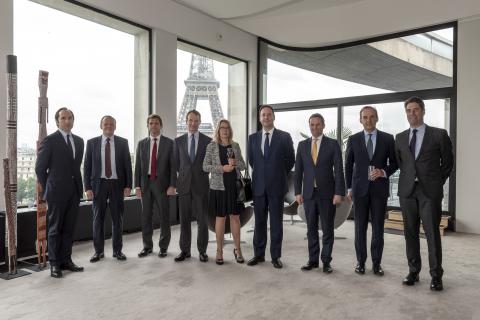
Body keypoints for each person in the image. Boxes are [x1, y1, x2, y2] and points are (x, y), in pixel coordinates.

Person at [395, 96, 453, 291]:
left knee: (432, 234)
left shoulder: (439, 135)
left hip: (430, 192)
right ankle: (413, 272)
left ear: (423, 111)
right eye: (409, 110)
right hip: (407, 192)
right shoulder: (400, 137)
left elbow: (447, 164)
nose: (412, 114)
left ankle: (436, 276)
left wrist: (436, 182)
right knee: (410, 233)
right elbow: (402, 163)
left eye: (416, 110)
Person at [345, 106, 398, 276]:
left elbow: (395, 163)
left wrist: (383, 172)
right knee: (359, 229)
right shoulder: (353, 139)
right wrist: (349, 188)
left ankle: (376, 264)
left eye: (372, 117)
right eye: (365, 117)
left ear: (377, 118)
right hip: (359, 191)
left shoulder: (388, 139)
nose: (368, 120)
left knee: (378, 228)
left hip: (379, 190)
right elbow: (348, 165)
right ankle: (360, 262)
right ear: (360, 119)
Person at [35, 107, 84, 278]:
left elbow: (75, 167)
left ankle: (66, 260)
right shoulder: (50, 140)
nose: (67, 121)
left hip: (75, 191)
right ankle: (55, 264)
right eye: (63, 118)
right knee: (55, 229)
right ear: (57, 121)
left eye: (70, 117)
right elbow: (40, 168)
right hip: (56, 192)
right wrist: (50, 186)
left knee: (69, 228)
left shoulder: (79, 141)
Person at [294, 113, 345, 273]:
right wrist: (297, 192)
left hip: (327, 194)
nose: (315, 127)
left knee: (328, 229)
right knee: (311, 229)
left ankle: (326, 262)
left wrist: (339, 193)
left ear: (323, 125)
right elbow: (298, 171)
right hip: (308, 194)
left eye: (317, 124)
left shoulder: (332, 144)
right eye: (312, 125)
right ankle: (313, 260)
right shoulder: (302, 145)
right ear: (309, 126)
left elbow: (338, 169)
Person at [247, 105, 295, 269]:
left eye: (269, 115)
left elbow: (290, 161)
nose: (266, 117)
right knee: (259, 222)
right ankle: (258, 255)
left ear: (273, 117)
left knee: (276, 223)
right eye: (263, 115)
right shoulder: (252, 138)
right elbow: (252, 161)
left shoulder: (284, 137)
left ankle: (276, 256)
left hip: (277, 187)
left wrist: (277, 172)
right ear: (260, 118)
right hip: (259, 187)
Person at [84, 115, 132, 263]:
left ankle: (118, 250)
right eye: (106, 124)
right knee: (98, 219)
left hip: (117, 184)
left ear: (115, 126)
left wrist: (128, 185)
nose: (109, 126)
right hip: (99, 185)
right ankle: (98, 252)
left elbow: (127, 166)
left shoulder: (123, 143)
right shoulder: (91, 143)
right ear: (101, 126)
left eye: (111, 124)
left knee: (118, 219)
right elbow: (87, 166)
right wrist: (87, 187)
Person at [203, 119, 246, 265]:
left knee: (235, 218)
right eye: (222, 128)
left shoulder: (235, 145)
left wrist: (236, 164)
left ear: (230, 130)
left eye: (227, 128)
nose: (225, 130)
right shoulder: (211, 146)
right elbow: (205, 166)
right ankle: (219, 251)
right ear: (218, 130)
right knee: (220, 218)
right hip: (218, 188)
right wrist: (222, 168)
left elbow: (243, 165)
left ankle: (238, 249)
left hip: (233, 187)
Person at [135, 114, 176, 258]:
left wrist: (172, 185)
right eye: (151, 123)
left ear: (161, 125)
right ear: (148, 126)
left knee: (164, 217)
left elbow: (172, 166)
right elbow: (138, 167)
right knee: (146, 217)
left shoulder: (170, 143)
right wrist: (137, 186)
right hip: (146, 184)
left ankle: (163, 247)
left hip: (163, 185)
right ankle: (147, 247)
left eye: (156, 123)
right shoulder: (142, 143)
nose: (153, 126)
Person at [173, 110, 212, 262]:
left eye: (196, 120)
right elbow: (177, 164)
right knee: (184, 220)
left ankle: (202, 251)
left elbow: (209, 163)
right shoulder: (178, 141)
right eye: (190, 120)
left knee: (202, 221)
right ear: (186, 121)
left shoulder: (208, 141)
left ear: (199, 122)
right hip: (184, 186)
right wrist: (185, 176)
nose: (193, 123)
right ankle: (185, 250)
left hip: (201, 186)